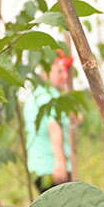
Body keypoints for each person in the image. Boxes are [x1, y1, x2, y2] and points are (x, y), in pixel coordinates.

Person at [22, 53, 75, 193]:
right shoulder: (46, 97)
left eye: (65, 71)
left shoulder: (42, 94)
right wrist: (60, 162)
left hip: (43, 166)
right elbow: (54, 128)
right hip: (51, 167)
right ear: (45, 71)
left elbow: (75, 117)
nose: (64, 76)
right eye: (59, 71)